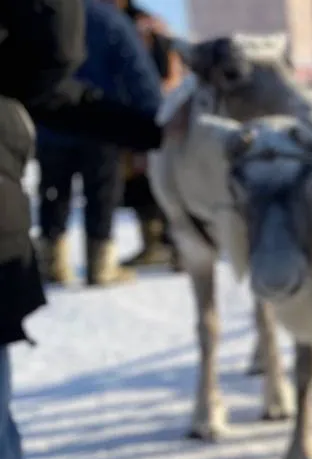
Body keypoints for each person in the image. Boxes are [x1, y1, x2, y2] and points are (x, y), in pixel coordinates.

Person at [1, 0, 164, 459]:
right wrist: (155, 118)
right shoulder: (111, 21)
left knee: (61, 216)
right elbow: (49, 59)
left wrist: (149, 126)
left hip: (57, 138)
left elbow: (35, 81)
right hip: (55, 150)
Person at [36, 0, 163, 287]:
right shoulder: (109, 19)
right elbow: (137, 71)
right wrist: (154, 122)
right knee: (101, 193)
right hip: (101, 122)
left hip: (51, 123)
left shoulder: (46, 14)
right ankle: (100, 265)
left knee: (54, 193)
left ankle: (52, 262)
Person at [115, 0, 182, 271]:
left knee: (160, 181)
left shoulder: (143, 24)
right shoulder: (135, 20)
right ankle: (155, 244)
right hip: (135, 113)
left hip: (152, 111)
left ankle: (173, 246)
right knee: (139, 184)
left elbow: (166, 71)